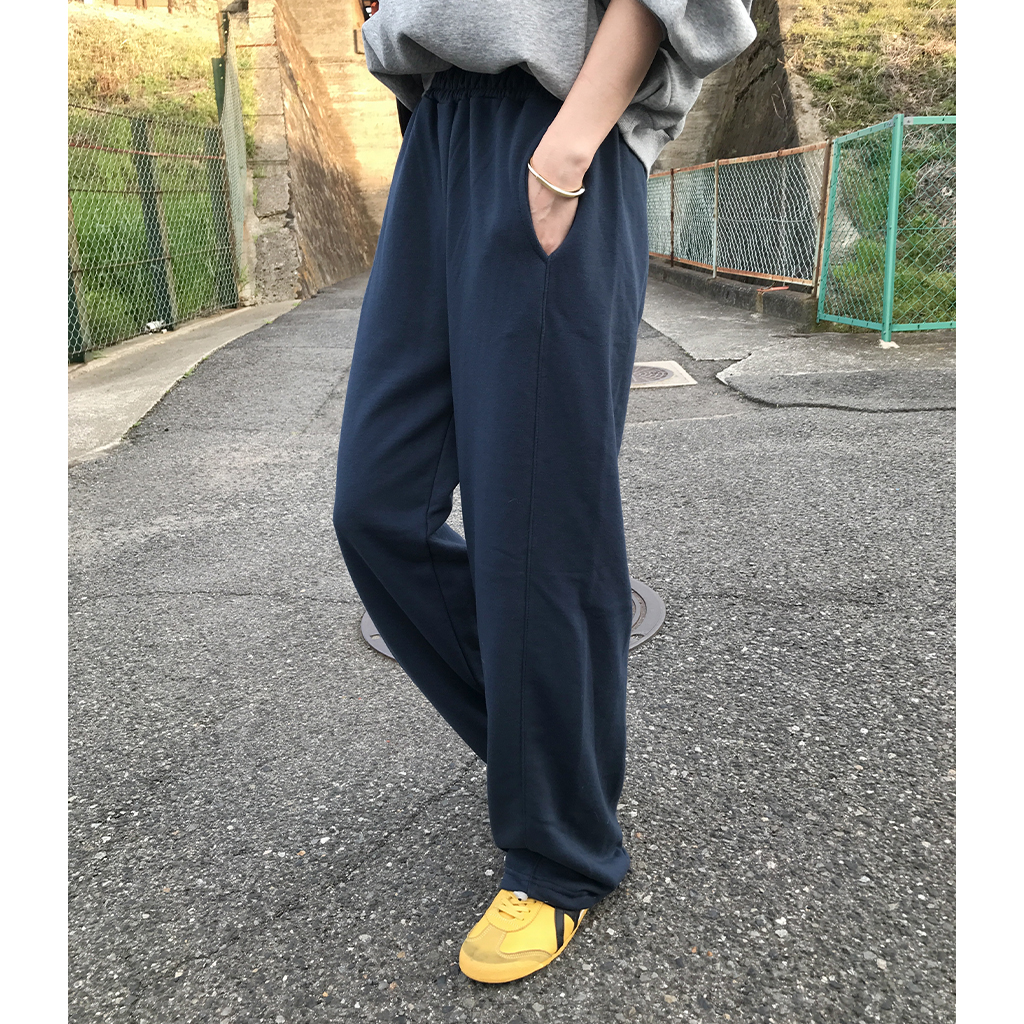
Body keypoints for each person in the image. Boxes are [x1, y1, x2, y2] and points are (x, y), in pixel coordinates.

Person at [333, 0, 756, 984]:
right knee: (376, 504)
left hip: (555, 128)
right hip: (438, 132)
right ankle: (557, 757)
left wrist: (570, 146)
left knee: (536, 524)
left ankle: (565, 856)